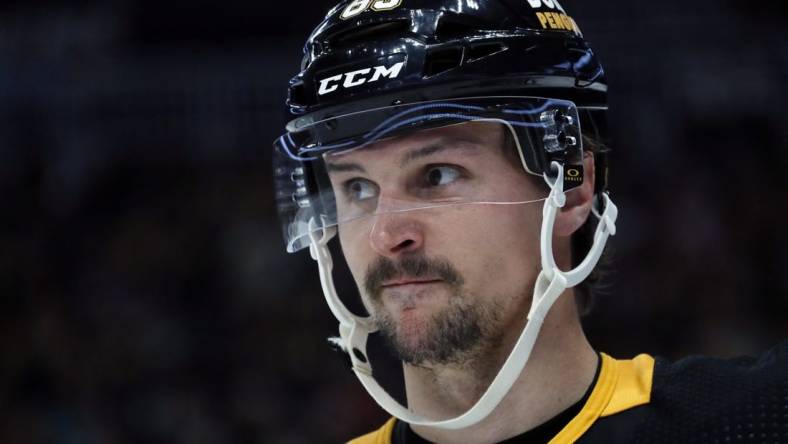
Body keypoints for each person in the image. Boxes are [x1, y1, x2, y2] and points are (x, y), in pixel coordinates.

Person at [272, 1, 788, 442]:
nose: (387, 235)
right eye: (356, 187)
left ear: (570, 191)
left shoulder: (751, 422)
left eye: (437, 174)